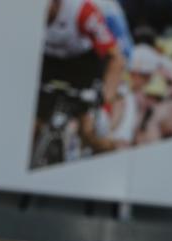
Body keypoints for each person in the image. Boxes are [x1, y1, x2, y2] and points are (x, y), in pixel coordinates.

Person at [35, 0, 127, 165]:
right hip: (47, 63)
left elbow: (116, 58)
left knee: (88, 131)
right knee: (32, 126)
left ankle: (115, 158)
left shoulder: (83, 11)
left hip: (83, 66)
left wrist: (105, 96)